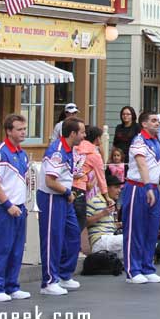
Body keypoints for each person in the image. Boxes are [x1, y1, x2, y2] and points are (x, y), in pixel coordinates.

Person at [0, 114, 30, 302]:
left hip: (19, 206)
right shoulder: (0, 153)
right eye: (19, 129)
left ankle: (12, 285)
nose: (23, 132)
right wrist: (8, 204)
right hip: (1, 208)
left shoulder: (22, 154)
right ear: (9, 131)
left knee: (16, 249)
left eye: (24, 129)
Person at [37, 117, 84, 296]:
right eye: (82, 132)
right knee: (52, 239)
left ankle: (64, 274)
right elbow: (50, 181)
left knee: (73, 234)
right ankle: (49, 281)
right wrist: (67, 192)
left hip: (64, 197)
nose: (84, 135)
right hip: (52, 197)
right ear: (73, 134)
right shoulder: (57, 151)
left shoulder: (69, 149)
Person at [121, 111, 160, 284]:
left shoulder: (155, 142)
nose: (157, 123)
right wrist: (147, 187)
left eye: (158, 120)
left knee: (151, 229)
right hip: (138, 187)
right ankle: (133, 269)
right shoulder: (139, 141)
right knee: (135, 229)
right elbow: (141, 165)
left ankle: (147, 266)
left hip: (153, 187)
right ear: (144, 124)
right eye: (153, 121)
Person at [72, 122, 108, 244]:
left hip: (68, 187)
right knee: (79, 223)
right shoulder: (94, 154)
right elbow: (101, 177)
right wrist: (106, 197)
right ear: (97, 138)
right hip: (80, 189)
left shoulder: (76, 148)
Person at [87, 172, 124, 256]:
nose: (119, 190)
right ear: (106, 188)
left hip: (110, 238)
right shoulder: (93, 200)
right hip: (99, 240)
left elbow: (106, 226)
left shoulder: (111, 203)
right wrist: (103, 213)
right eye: (116, 187)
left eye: (120, 188)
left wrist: (119, 225)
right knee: (129, 240)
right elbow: (85, 222)